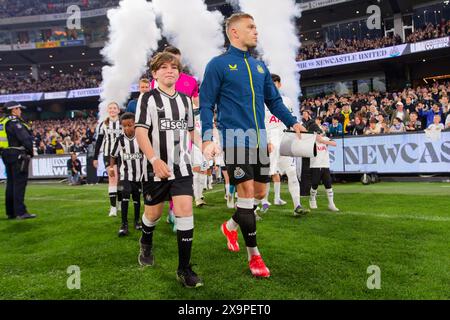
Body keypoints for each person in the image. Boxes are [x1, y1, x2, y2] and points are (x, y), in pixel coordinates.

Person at [200, 13, 306, 278]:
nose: (256, 31)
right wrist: (205, 138)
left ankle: (230, 226)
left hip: (259, 139)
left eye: (256, 26)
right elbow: (205, 104)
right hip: (234, 138)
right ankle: (255, 257)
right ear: (234, 32)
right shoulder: (217, 65)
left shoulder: (260, 67)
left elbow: (274, 101)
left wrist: (293, 122)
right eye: (251, 27)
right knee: (245, 192)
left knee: (259, 195)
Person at [135, 52, 204, 288]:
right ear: (155, 74)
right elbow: (141, 132)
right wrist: (154, 159)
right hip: (155, 168)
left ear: (179, 72)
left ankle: (184, 269)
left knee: (185, 212)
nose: (169, 71)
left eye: (173, 67)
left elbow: (191, 131)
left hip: (181, 166)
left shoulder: (185, 101)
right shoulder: (147, 99)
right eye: (163, 67)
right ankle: (146, 242)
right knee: (153, 215)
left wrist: (204, 144)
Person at [151, 46, 200, 229]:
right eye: (166, 64)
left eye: (175, 63)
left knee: (181, 170)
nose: (170, 69)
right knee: (165, 177)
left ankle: (175, 210)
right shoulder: (157, 82)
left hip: (183, 134)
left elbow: (196, 102)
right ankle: (164, 210)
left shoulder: (190, 81)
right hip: (161, 139)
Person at [262, 73, 308, 216]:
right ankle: (259, 207)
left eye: (275, 84)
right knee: (264, 176)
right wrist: (265, 141)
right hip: (269, 142)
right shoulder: (261, 101)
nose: (272, 88)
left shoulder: (286, 101)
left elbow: (292, 119)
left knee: (292, 173)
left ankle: (297, 206)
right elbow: (260, 124)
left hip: (285, 139)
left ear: (279, 85)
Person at [109, 112, 145, 237]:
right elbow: (113, 155)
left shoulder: (141, 137)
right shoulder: (119, 140)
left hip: (139, 176)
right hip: (125, 175)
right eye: (124, 126)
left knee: (136, 198)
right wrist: (111, 168)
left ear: (134, 124)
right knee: (125, 195)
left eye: (129, 125)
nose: (126, 128)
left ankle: (137, 221)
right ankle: (124, 224)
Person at [0, 101, 36, 220]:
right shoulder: (14, 122)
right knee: (19, 183)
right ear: (13, 110)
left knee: (11, 183)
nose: (20, 111)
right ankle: (20, 212)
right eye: (19, 109)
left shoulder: (2, 122)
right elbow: (25, 138)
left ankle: (11, 212)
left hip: (6, 154)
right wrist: (31, 151)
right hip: (17, 154)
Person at [93, 102, 122, 217]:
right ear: (108, 110)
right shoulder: (103, 124)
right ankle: (113, 208)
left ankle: (119, 202)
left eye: (115, 108)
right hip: (108, 155)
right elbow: (99, 142)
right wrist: (95, 158)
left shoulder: (122, 123)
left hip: (122, 155)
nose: (112, 110)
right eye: (110, 108)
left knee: (120, 180)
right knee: (113, 179)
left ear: (118, 110)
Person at [309, 127, 339, 212]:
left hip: (325, 164)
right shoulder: (311, 140)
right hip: (315, 165)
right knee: (315, 184)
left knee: (328, 184)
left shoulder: (325, 139)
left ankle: (331, 203)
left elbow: (334, 143)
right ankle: (312, 199)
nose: (319, 134)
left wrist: (322, 141)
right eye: (317, 133)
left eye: (320, 132)